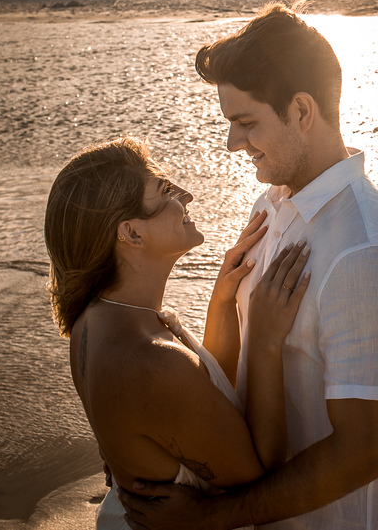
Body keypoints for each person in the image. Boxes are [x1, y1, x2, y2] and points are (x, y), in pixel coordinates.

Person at [120, 3, 378, 530]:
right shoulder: (272, 207)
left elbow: (363, 453)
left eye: (246, 122)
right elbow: (240, 364)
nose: (231, 142)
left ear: (301, 110)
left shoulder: (365, 251)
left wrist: (213, 516)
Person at [44, 136, 313, 529]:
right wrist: (265, 342)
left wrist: (222, 303)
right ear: (131, 233)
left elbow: (203, 409)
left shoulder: (96, 320)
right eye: (165, 190)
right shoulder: (153, 362)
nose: (185, 196)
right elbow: (261, 474)